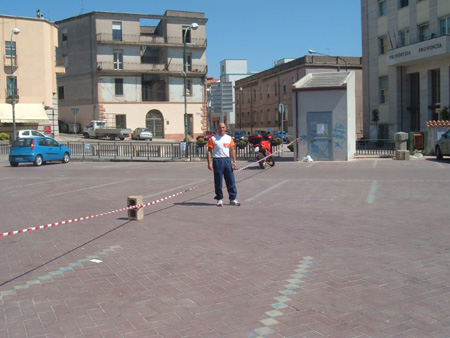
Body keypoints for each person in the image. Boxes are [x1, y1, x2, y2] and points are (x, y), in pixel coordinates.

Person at [207, 123, 241, 207]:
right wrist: (209, 163)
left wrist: (234, 161)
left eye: (223, 127)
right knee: (218, 181)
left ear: (225, 128)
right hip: (218, 161)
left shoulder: (229, 138)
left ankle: (233, 199)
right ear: (217, 129)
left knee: (231, 180)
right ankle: (219, 199)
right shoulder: (213, 139)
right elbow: (209, 151)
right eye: (220, 127)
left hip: (227, 160)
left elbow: (232, 150)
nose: (221, 129)